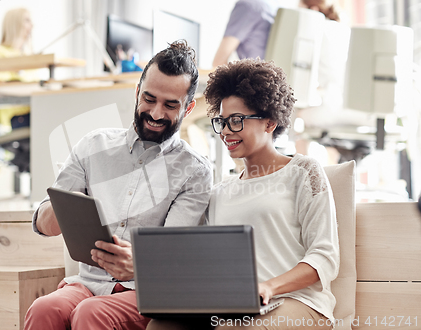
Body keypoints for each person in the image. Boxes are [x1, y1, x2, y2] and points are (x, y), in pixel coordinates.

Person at [24, 40, 213, 330]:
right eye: (149, 99)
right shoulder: (93, 145)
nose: (156, 113)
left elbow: (169, 253)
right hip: (88, 283)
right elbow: (43, 223)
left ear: (188, 108)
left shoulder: (194, 170)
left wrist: (137, 263)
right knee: (43, 308)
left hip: (145, 291)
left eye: (170, 105)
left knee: (91, 313)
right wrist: (60, 209)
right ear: (137, 92)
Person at [148, 59, 339, 330]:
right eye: (222, 121)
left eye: (236, 121)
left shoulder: (303, 172)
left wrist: (268, 287)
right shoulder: (220, 192)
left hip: (299, 303)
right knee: (161, 326)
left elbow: (324, 258)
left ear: (270, 122)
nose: (226, 131)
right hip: (237, 306)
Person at [212, 0, 340, 67]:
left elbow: (218, 63)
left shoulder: (248, 5)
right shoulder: (276, 9)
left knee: (192, 105)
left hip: (251, 96)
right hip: (275, 97)